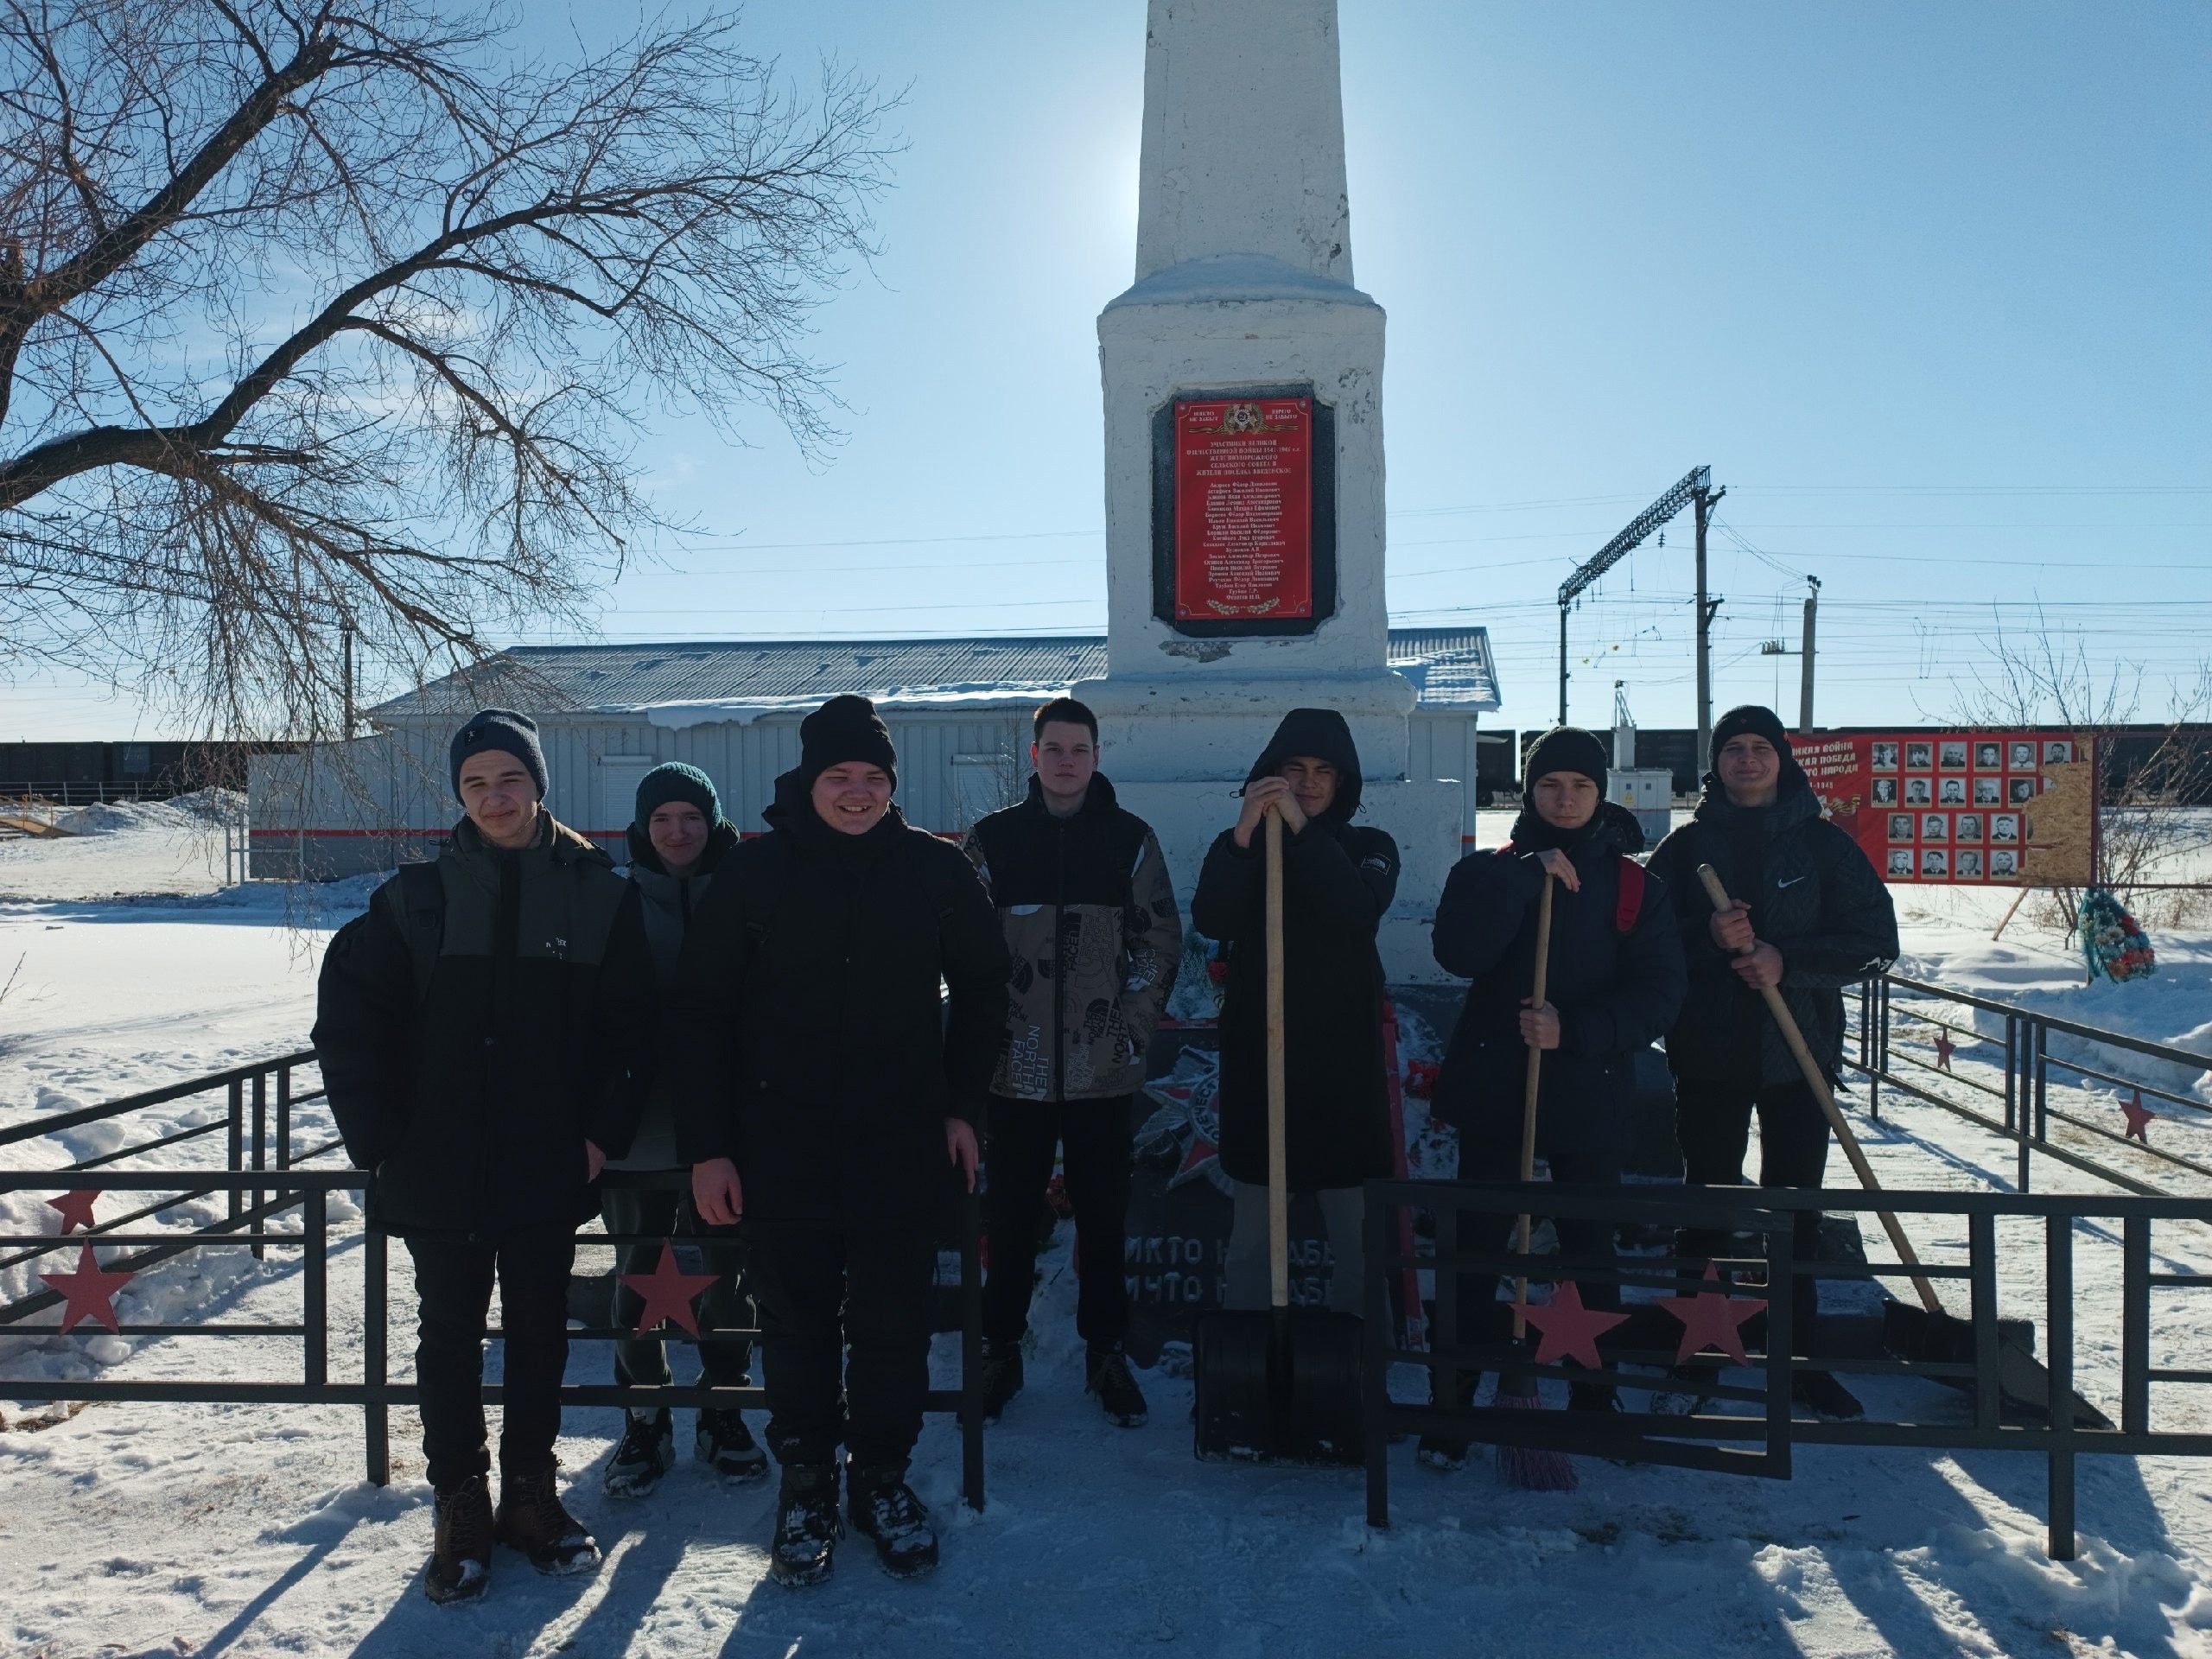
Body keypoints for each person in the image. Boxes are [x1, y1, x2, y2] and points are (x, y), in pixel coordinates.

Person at [314, 709, 654, 1605]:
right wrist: (380, 1141)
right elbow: (349, 1025)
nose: (494, 797)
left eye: (510, 779)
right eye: (476, 784)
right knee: (450, 1337)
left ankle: (532, 1498)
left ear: (537, 784)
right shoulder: (415, 901)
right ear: (458, 795)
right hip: (438, 1163)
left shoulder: (595, 893)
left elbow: (635, 1030)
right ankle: (460, 1503)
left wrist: (600, 1132)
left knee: (540, 1333)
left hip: (548, 1160)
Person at [673, 696, 1008, 1588]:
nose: (856, 793)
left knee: (894, 1326)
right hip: (778, 1147)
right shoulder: (755, 874)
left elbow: (984, 991)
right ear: (808, 779)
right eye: (839, 776)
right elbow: (701, 1015)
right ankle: (810, 1482)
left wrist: (960, 1107)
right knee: (795, 1325)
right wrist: (708, 1147)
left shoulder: (935, 872)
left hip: (899, 1142)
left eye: (872, 778)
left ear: (891, 785)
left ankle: (883, 1480)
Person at [1418, 728, 1685, 1467]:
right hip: (1497, 1090)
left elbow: (1662, 995)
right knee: (1476, 1250)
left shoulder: (1637, 887)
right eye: (1550, 786)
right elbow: (1458, 953)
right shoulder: (1485, 873)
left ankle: (1592, 1395)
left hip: (1589, 1094)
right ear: (1528, 793)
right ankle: (1455, 1397)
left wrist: (1575, 1028)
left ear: (1602, 795)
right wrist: (1523, 879)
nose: (1565, 799)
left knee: (1589, 1253)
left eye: (1581, 786)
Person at [1647, 705, 1900, 1421]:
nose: (1748, 759)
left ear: (1781, 760)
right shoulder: (1687, 847)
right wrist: (1707, 935)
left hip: (1799, 1056)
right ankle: (1695, 1350)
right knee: (1706, 1202)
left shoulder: (1823, 847)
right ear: (1716, 763)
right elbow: (1646, 938)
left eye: (1761, 747)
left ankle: (1801, 1359)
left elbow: (1876, 941)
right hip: (1708, 1054)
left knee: (1797, 1210)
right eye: (1734, 748)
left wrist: (1787, 960)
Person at [964, 698, 1182, 1429]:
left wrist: (1128, 1030)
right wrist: (985, 1035)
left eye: (1079, 749)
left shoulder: (1130, 840)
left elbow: (1157, 943)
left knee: (1103, 1218)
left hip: (1101, 1069)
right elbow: (964, 954)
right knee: (1011, 1215)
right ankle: (1000, 1349)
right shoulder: (993, 842)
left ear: (1096, 755)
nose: (1066, 761)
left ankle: (1106, 1354)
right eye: (1053, 748)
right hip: (1015, 1069)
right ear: (1035, 756)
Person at [1190, 709, 1399, 1319]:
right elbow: (1213, 920)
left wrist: (1305, 835)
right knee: (1253, 1241)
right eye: (1293, 770)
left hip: (1343, 1070)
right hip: (1263, 1061)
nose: (1308, 782)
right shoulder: (1243, 847)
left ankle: (1355, 1365)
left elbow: (1356, 909)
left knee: (1355, 1235)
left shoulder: (1370, 848)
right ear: (1267, 775)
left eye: (1322, 771)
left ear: (1342, 783)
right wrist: (1245, 836)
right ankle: (1252, 1363)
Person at [601, 762, 765, 1497]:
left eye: (691, 817)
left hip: (727, 1129)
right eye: (662, 819)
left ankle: (723, 1407)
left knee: (726, 1277)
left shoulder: (747, 890)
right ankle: (645, 1413)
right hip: (638, 1129)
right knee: (640, 1275)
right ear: (643, 827)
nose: (677, 832)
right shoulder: (615, 900)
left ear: (713, 821)